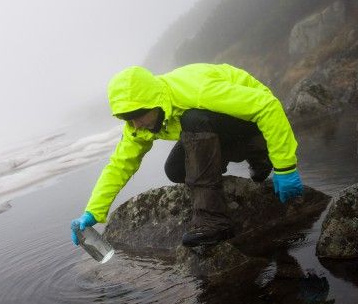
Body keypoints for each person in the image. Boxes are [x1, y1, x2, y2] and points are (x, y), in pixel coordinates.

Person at [70, 63, 304, 248]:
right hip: (217, 127)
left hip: (251, 119)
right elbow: (120, 164)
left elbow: (266, 106)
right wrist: (93, 211)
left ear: (156, 103)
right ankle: (257, 154)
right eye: (127, 118)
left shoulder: (196, 91)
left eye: (139, 115)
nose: (135, 124)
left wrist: (286, 167)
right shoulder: (138, 124)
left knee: (192, 119)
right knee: (176, 170)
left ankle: (214, 219)